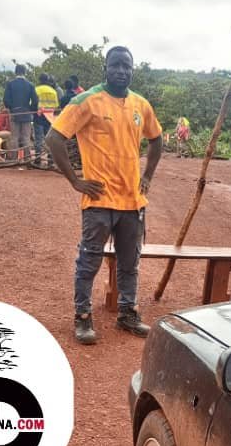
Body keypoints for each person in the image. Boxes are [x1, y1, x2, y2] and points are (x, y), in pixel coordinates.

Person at [46, 46, 163, 345]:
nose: (121, 71)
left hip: (132, 201)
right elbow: (54, 137)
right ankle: (83, 317)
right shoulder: (87, 101)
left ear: (132, 69)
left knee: (129, 263)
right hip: (98, 201)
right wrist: (75, 180)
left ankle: (128, 313)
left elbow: (156, 139)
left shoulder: (141, 104)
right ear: (106, 68)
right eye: (116, 65)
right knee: (89, 262)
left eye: (126, 66)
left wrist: (147, 176)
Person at [3, 64, 38, 163]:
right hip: (26, 114)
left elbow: (6, 100)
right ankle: (27, 160)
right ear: (25, 72)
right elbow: (35, 100)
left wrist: (12, 108)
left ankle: (14, 160)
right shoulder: (30, 85)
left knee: (14, 137)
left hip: (14, 114)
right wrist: (29, 109)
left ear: (15, 72)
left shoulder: (10, 84)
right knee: (26, 138)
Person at [34, 72, 59, 166]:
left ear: (40, 80)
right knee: (49, 139)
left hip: (39, 117)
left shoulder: (36, 90)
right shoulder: (53, 91)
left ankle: (37, 160)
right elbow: (56, 106)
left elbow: (32, 103)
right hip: (49, 118)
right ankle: (50, 160)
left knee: (38, 139)